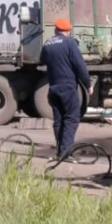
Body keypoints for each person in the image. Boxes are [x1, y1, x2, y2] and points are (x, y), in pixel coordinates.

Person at [39, 17, 92, 162]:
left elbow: (42, 59)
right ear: (68, 31)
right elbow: (80, 66)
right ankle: (66, 154)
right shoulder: (70, 43)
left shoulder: (48, 44)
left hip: (53, 87)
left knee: (59, 120)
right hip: (68, 87)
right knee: (71, 119)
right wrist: (88, 85)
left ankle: (60, 152)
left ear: (56, 30)